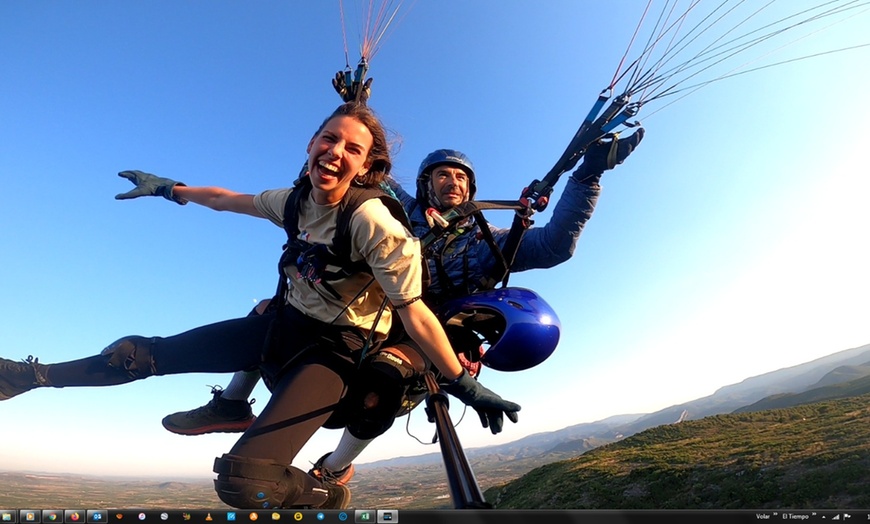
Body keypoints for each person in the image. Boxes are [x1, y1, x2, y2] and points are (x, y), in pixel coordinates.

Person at [0, 102, 521, 510]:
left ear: (368, 167)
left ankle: (329, 491)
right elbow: (230, 199)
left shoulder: (376, 226)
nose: (336, 152)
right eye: (329, 139)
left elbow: (413, 312)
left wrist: (465, 383)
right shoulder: (294, 201)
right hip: (283, 325)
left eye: (352, 149)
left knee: (245, 483)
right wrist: (169, 189)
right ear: (312, 144)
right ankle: (30, 377)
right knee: (135, 353)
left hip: (336, 350)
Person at [159, 126, 645, 488]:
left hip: (428, 332)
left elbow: (558, 244)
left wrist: (588, 175)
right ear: (427, 182)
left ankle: (336, 466)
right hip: (365, 313)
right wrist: (357, 101)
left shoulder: (491, 241)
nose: (452, 181)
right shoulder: (397, 209)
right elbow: (359, 163)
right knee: (270, 308)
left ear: (470, 190)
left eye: (460, 176)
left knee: (383, 383)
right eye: (442, 174)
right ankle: (230, 403)